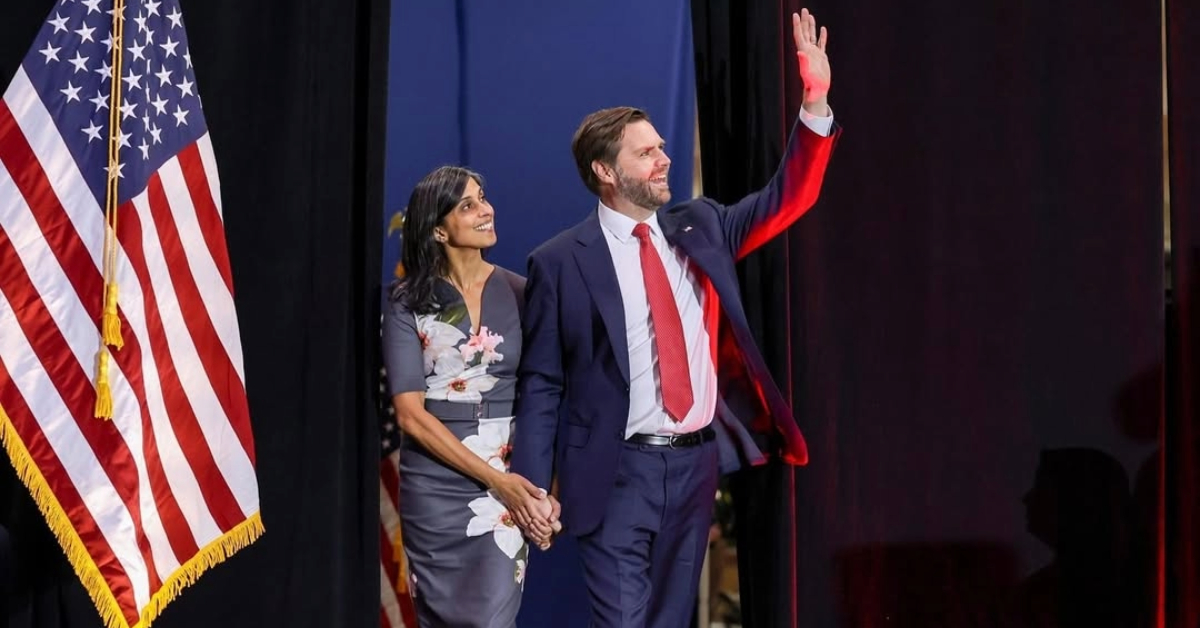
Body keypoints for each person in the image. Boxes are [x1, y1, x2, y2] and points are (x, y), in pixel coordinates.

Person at [509, 9, 838, 626]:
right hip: (613, 473)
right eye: (647, 152)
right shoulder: (558, 261)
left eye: (663, 147)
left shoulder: (701, 224)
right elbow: (543, 381)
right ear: (605, 173)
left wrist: (815, 101)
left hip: (694, 465)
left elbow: (787, 197)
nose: (663, 159)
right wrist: (529, 484)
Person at [382, 166, 557, 628]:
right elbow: (409, 414)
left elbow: (544, 394)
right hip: (434, 487)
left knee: (490, 620)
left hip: (508, 480)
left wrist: (540, 485)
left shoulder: (523, 293)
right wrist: (496, 481)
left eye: (483, 198)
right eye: (468, 204)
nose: (486, 210)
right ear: (438, 228)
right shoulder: (405, 302)